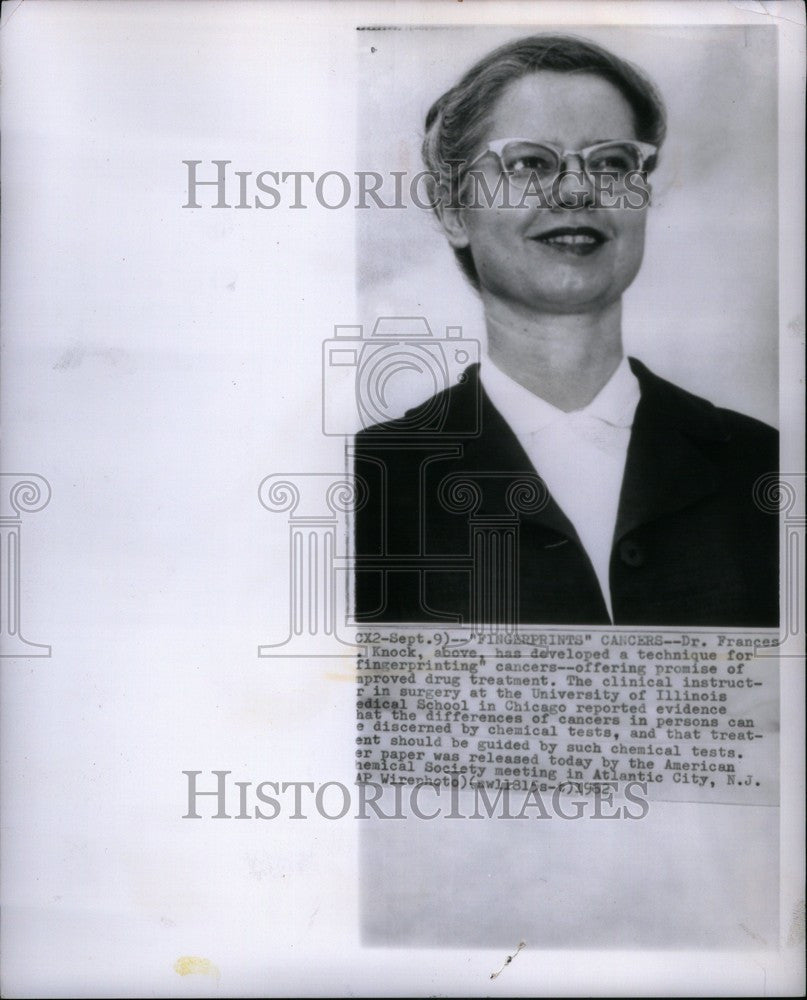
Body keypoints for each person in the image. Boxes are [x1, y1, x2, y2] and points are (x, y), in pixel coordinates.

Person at [353, 33, 778, 628]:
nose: (578, 189)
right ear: (453, 210)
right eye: (530, 162)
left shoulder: (766, 466)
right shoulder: (370, 483)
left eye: (610, 163)